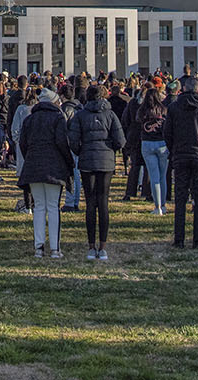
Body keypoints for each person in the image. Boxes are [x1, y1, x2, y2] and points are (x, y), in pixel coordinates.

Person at [68, 85, 126, 261]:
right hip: (106, 161)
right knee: (103, 202)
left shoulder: (81, 115)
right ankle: (103, 246)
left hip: (87, 160)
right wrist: (110, 150)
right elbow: (120, 140)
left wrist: (81, 151)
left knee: (90, 203)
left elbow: (72, 140)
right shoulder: (110, 114)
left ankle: (91, 246)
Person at [163, 75, 198, 249]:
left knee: (180, 199)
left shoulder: (173, 108)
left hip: (181, 155)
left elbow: (167, 133)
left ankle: (179, 239)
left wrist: (173, 150)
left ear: (183, 89)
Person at [18, 86, 72, 259]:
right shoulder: (58, 118)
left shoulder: (30, 119)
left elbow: (22, 143)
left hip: (34, 165)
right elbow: (62, 143)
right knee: (53, 207)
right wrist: (68, 162)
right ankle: (55, 248)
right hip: (54, 166)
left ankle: (39, 247)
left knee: (39, 206)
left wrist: (30, 157)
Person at [138, 89, 169, 216]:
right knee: (163, 176)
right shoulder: (163, 110)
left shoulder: (142, 110)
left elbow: (138, 123)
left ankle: (157, 207)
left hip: (147, 143)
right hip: (162, 143)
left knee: (153, 176)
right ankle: (163, 205)